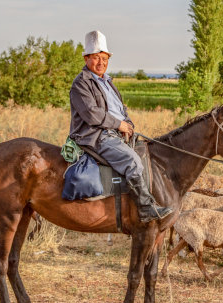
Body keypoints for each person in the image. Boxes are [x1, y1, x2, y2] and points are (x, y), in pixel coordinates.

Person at [68, 30, 172, 223]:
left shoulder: (108, 81)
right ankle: (145, 207)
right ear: (86, 58)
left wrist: (128, 124)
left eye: (105, 58)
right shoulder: (81, 83)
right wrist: (119, 125)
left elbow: (120, 109)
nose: (101, 63)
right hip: (94, 135)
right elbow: (92, 114)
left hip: (115, 132)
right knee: (132, 159)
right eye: (96, 58)